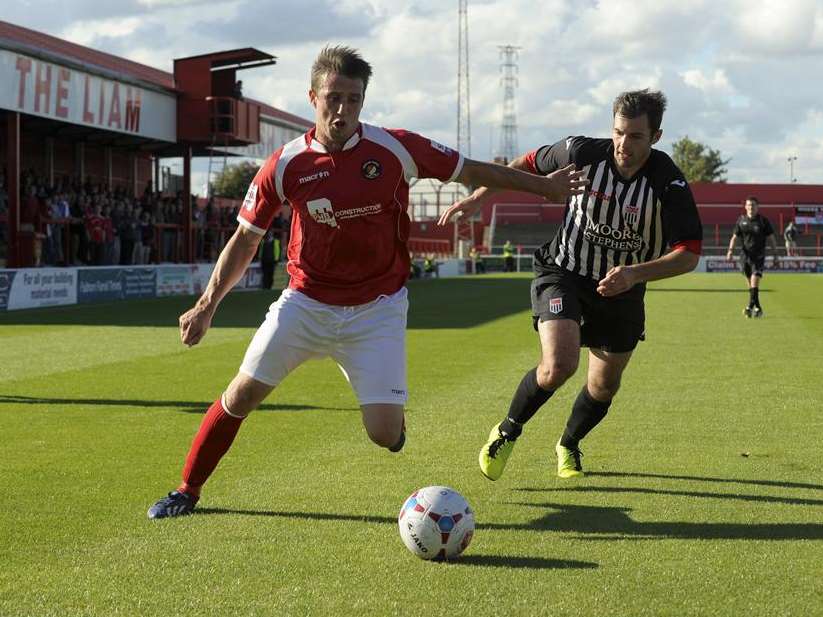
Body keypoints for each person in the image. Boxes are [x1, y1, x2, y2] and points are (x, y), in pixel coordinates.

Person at [147, 45, 587, 518]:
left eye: (353, 99)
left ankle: (393, 424)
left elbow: (470, 170)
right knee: (241, 394)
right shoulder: (284, 164)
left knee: (383, 434)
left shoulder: (396, 148)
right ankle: (186, 490)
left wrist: (545, 187)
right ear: (312, 96)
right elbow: (245, 238)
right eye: (333, 98)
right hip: (305, 303)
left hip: (377, 309)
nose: (342, 110)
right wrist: (208, 303)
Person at [439, 89, 702, 481]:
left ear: (656, 137)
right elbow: (524, 164)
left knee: (604, 385)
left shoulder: (669, 184)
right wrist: (480, 198)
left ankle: (569, 443)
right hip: (564, 271)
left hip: (623, 288)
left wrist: (634, 274)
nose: (623, 145)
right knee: (559, 365)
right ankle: (508, 430)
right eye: (618, 133)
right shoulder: (581, 152)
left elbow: (689, 253)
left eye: (635, 137)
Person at [726, 197, 778, 318]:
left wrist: (775, 254)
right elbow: (734, 237)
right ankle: (757, 307)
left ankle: (749, 306)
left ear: (757, 207)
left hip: (758, 256)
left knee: (754, 281)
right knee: (751, 284)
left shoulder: (763, 221)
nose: (751, 207)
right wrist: (730, 251)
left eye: (753, 205)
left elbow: (771, 238)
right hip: (744, 257)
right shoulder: (741, 220)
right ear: (745, 207)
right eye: (749, 205)